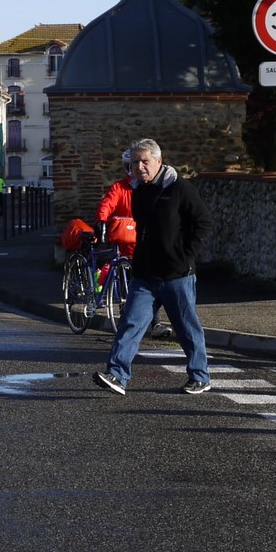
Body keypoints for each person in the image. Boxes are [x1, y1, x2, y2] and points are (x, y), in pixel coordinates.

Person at [93, 138, 213, 396]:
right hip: (145, 274)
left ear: (159, 161)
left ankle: (200, 376)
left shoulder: (179, 188)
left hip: (177, 274)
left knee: (186, 328)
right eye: (135, 162)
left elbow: (202, 223)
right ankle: (117, 375)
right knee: (130, 323)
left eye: (145, 161)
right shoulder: (138, 191)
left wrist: (185, 257)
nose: (139, 167)